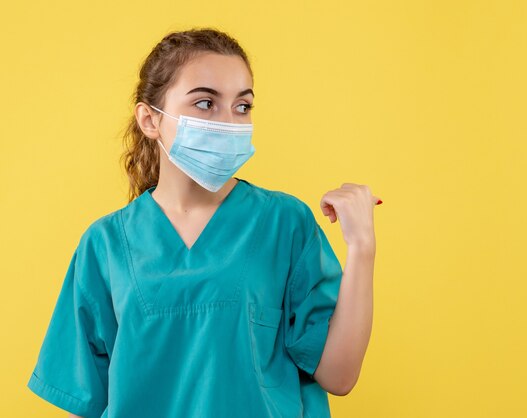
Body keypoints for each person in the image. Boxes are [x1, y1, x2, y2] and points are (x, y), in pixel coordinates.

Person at [26, 27, 381, 418]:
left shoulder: (285, 224)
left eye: (242, 107)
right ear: (149, 119)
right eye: (205, 104)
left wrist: (362, 247)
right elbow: (87, 399)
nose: (228, 121)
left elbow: (339, 376)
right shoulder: (106, 244)